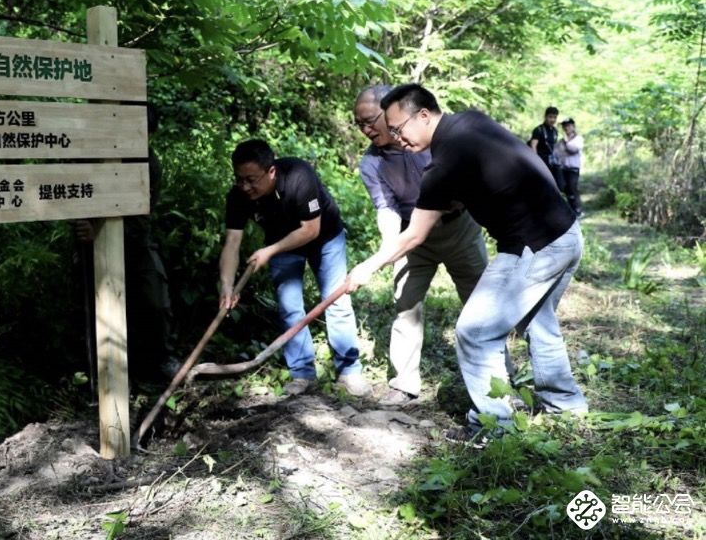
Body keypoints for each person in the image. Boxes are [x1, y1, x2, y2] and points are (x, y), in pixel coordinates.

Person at [349, 84, 587, 442]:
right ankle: (566, 408)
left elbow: (414, 235)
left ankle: (494, 429)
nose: (397, 138)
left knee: (475, 332)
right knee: (539, 323)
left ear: (424, 115)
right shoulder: (471, 122)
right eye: (392, 131)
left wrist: (367, 267)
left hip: (534, 246)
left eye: (398, 129)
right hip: (566, 233)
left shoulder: (444, 163)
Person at [353, 85, 490, 407]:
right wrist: (388, 249)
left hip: (458, 229)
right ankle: (404, 383)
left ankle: (497, 381)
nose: (366, 130)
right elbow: (386, 209)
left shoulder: (432, 140)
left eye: (370, 121)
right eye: (359, 125)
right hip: (410, 238)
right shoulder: (371, 164)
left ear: (391, 113)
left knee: (481, 304)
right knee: (405, 304)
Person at [219, 138, 371, 397]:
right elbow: (232, 243)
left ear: (271, 171)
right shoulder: (238, 196)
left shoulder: (299, 176)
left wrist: (269, 251)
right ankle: (302, 374)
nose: (245, 186)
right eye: (239, 179)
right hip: (282, 243)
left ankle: (349, 371)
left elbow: (310, 230)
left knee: (336, 301)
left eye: (251, 180)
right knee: (289, 307)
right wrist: (226, 285)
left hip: (325, 237)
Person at [74, 105, 173, 387]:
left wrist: (100, 231)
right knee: (95, 307)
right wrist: (84, 226)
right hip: (91, 245)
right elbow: (74, 193)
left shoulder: (149, 164)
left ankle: (157, 361)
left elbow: (142, 215)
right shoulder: (94, 153)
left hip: (135, 241)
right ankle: (97, 374)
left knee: (154, 299)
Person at [528, 106, 564, 191]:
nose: (552, 120)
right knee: (542, 185)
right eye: (550, 117)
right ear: (545, 116)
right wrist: (536, 161)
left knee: (560, 184)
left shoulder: (555, 131)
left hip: (552, 162)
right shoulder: (538, 130)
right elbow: (533, 146)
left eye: (555, 117)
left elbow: (554, 146)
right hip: (541, 161)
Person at [555, 118, 583, 216]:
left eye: (568, 125)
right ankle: (572, 210)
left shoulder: (578, 139)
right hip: (563, 168)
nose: (566, 128)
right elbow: (556, 152)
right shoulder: (561, 141)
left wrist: (566, 142)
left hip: (573, 168)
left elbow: (573, 150)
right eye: (564, 126)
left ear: (573, 127)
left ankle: (578, 209)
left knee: (572, 187)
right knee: (565, 189)